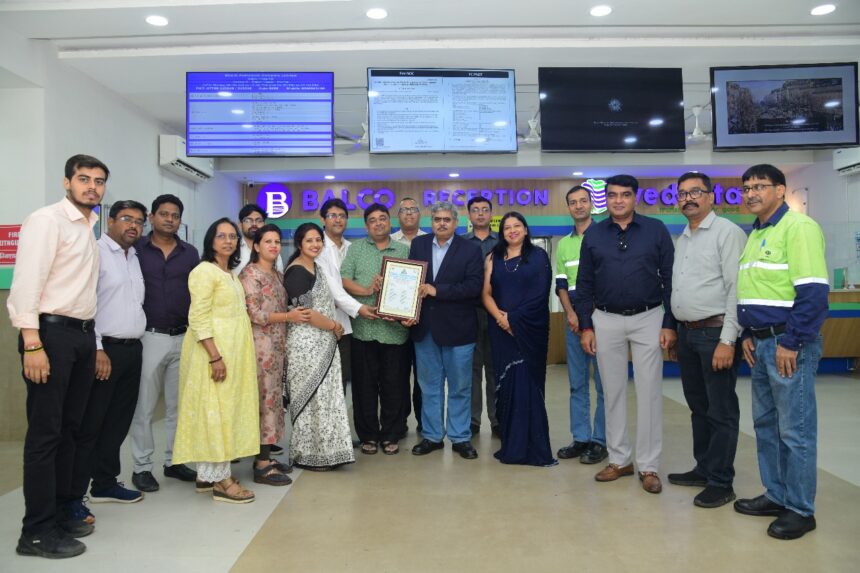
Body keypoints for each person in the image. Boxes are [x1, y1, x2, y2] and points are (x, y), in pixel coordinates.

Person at [7, 154, 107, 559]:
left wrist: (92, 343)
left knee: (70, 430)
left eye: (98, 181)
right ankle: (35, 532)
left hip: (80, 337)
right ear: (67, 182)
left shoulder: (88, 228)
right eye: (84, 179)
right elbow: (26, 284)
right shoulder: (46, 220)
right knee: (46, 435)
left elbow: (84, 294)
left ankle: (63, 511)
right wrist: (32, 343)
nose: (91, 187)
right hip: (50, 336)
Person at [733, 164, 828, 540]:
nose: (751, 193)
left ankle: (801, 509)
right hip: (759, 343)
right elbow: (755, 290)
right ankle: (776, 494)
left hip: (788, 344)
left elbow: (813, 293)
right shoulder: (756, 233)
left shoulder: (799, 228)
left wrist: (791, 341)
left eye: (760, 186)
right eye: (747, 188)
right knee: (766, 426)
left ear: (780, 190)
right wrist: (746, 333)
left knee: (795, 429)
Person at [575, 174, 676, 495]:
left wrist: (669, 322)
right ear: (605, 199)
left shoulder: (656, 230)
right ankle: (619, 460)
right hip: (605, 319)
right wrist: (586, 326)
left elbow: (670, 278)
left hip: (649, 317)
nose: (618, 200)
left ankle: (648, 466)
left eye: (625, 194)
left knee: (649, 392)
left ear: (635, 197)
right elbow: (584, 284)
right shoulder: (594, 234)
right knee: (612, 390)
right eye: (613, 195)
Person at [668, 172, 747, 508]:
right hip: (688, 334)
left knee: (721, 410)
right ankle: (704, 468)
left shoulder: (727, 233)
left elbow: (736, 289)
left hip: (716, 334)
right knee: (698, 407)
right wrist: (676, 329)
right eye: (682, 194)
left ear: (711, 196)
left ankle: (721, 481)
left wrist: (728, 340)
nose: (688, 198)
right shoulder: (684, 237)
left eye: (695, 192)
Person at [69, 200, 149, 517]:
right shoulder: (96, 252)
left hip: (133, 349)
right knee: (92, 423)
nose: (133, 226)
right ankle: (73, 495)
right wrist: (98, 347)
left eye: (139, 222)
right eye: (127, 219)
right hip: (105, 351)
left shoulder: (134, 257)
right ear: (110, 220)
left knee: (118, 422)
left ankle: (104, 483)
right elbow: (86, 304)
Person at [172, 218, 260, 503]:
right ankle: (222, 481)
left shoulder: (230, 274)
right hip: (212, 354)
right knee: (215, 414)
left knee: (224, 412)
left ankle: (206, 475)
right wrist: (214, 357)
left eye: (232, 236)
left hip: (233, 353)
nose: (228, 241)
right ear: (211, 240)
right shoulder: (203, 271)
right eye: (221, 236)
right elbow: (197, 317)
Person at [130, 195, 200, 493]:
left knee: (179, 406)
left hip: (184, 337)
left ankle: (174, 461)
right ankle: (142, 466)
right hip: (150, 336)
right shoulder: (136, 250)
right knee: (144, 407)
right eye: (164, 214)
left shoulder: (190, 253)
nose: (170, 219)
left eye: (175, 215)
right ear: (152, 217)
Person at [408, 201, 484, 460]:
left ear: (456, 223)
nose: (441, 223)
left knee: (460, 387)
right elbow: (411, 283)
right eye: (437, 219)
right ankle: (432, 436)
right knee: (429, 386)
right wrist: (405, 310)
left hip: (459, 330)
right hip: (425, 328)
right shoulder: (418, 245)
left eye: (446, 219)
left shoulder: (471, 249)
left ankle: (460, 437)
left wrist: (436, 290)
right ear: (431, 221)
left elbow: (473, 287)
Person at [482, 212, 555, 466]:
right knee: (507, 386)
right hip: (500, 329)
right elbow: (486, 293)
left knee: (527, 383)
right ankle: (512, 444)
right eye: (507, 227)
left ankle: (533, 447)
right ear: (501, 232)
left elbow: (540, 295)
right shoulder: (492, 257)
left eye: (517, 226)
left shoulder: (539, 256)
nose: (512, 230)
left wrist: (513, 319)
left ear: (525, 229)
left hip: (531, 329)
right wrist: (501, 319)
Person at [239, 223, 308, 486]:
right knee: (264, 403)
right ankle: (261, 465)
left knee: (274, 403)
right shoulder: (250, 274)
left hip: (278, 347)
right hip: (260, 348)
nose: (273, 246)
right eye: (267, 241)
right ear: (256, 246)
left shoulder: (278, 275)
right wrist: (289, 316)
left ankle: (266, 456)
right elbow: (254, 314)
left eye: (277, 241)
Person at [284, 223, 356, 470]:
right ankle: (306, 455)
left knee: (325, 399)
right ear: (299, 244)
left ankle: (327, 452)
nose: (315, 244)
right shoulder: (296, 271)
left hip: (324, 341)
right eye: (309, 240)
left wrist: (331, 327)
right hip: (306, 345)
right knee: (311, 399)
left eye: (318, 240)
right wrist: (334, 325)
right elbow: (305, 312)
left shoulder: (316, 267)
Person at [341, 204, 411, 455]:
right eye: (372, 220)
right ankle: (368, 435)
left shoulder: (404, 250)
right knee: (364, 387)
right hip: (364, 329)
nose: (378, 223)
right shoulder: (356, 249)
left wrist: (406, 312)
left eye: (383, 218)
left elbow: (413, 285)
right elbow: (344, 280)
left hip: (395, 332)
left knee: (394, 386)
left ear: (390, 222)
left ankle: (391, 434)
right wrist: (368, 290)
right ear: (366, 225)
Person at [555, 185, 607, 465]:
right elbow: (561, 284)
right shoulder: (564, 243)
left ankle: (600, 441)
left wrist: (592, 316)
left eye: (583, 201)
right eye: (573, 202)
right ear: (568, 207)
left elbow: (608, 280)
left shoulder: (605, 236)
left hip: (602, 319)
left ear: (591, 204)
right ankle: (581, 438)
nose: (578, 206)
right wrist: (571, 314)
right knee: (577, 384)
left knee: (604, 385)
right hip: (574, 320)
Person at [316, 198, 376, 395]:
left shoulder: (353, 248)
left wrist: (369, 291)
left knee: (346, 377)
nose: (338, 220)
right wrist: (360, 306)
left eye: (342, 216)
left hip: (352, 327)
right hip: (326, 323)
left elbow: (355, 281)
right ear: (323, 219)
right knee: (327, 382)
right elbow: (333, 289)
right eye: (333, 215)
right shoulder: (317, 248)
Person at [463, 196, 500, 438]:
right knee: (472, 371)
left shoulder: (502, 242)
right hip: (469, 313)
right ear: (469, 215)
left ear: (490, 214)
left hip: (497, 313)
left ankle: (497, 420)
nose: (480, 214)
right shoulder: (461, 244)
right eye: (475, 210)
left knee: (495, 369)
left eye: (484, 210)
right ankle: (473, 421)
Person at [391, 196, 427, 431]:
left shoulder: (430, 240)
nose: (409, 213)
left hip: (426, 317)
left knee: (424, 375)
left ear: (419, 214)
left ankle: (425, 422)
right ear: (398, 216)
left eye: (413, 209)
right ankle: (400, 420)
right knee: (399, 374)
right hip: (396, 319)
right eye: (404, 210)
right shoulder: (390, 241)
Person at [235, 203, 284, 275]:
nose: (254, 224)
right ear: (240, 225)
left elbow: (279, 276)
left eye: (259, 221)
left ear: (264, 224)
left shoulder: (272, 249)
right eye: (248, 220)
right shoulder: (233, 248)